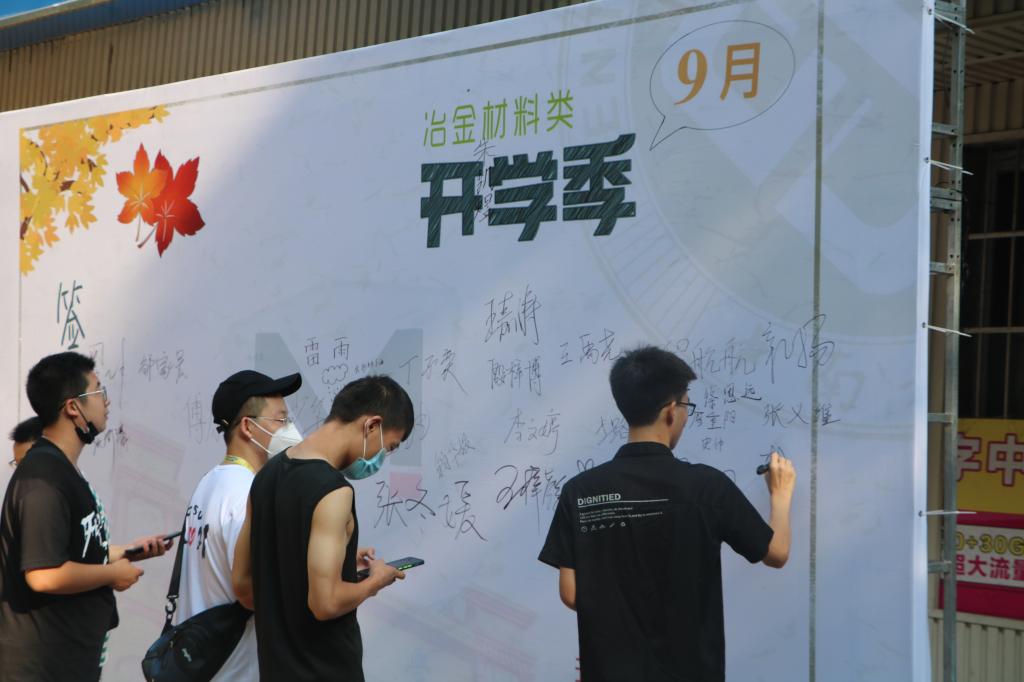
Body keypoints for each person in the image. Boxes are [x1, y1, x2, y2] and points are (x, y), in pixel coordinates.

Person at [539, 345, 797, 682]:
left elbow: (572, 593)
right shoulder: (706, 487)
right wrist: (780, 495)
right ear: (672, 411)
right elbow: (776, 552)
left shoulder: (581, 492)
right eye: (687, 405)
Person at [0, 351, 171, 681]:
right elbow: (44, 574)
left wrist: (127, 552)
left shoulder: (63, 469)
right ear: (72, 407)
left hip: (69, 660)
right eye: (98, 391)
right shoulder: (43, 479)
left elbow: (71, 552)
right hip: (42, 668)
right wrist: (111, 574)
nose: (106, 401)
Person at [232, 375, 414, 681]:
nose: (380, 459)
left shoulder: (265, 477)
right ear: (372, 426)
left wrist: (342, 563)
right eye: (389, 447)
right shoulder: (333, 491)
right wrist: (375, 581)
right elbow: (325, 603)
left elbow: (243, 585)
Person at [174, 370, 303, 681]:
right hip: (235, 670)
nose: (290, 429)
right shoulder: (246, 493)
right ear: (248, 426)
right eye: (281, 420)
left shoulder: (210, 483)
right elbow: (252, 590)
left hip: (204, 666)